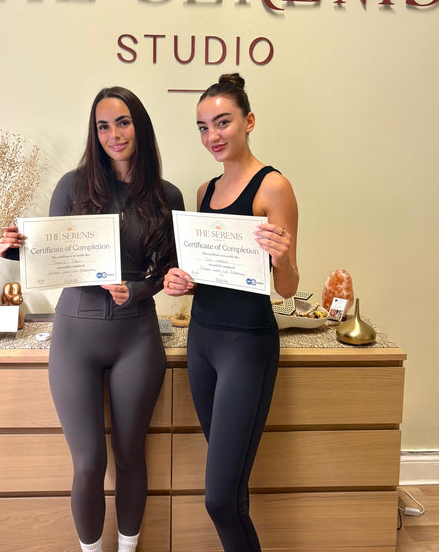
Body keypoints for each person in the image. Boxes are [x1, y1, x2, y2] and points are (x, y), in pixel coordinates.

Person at [0, 87, 184, 552]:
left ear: (139, 126)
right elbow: (52, 258)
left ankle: (127, 548)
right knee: (87, 463)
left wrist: (137, 290)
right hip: (75, 336)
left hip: (136, 334)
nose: (113, 134)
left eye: (122, 122)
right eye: (103, 126)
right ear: (94, 133)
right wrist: (19, 250)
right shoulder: (73, 186)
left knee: (130, 455)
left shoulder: (167, 195)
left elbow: (169, 271)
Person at [163, 73, 298, 552]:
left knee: (220, 499)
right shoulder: (204, 191)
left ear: (249, 121)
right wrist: (181, 280)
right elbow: (206, 273)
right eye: (203, 127)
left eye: (222, 122)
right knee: (231, 491)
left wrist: (283, 258)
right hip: (202, 342)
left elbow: (287, 288)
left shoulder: (273, 187)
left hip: (246, 344)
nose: (212, 136)